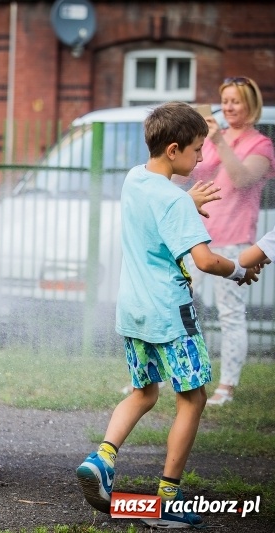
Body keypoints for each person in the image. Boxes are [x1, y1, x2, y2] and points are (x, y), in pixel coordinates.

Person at [75, 102, 260, 528]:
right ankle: (166, 501)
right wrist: (240, 270)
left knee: (143, 393)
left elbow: (160, 205)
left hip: (134, 311)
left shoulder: (135, 179)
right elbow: (207, 260)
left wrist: (185, 199)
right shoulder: (176, 203)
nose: (201, 158)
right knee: (193, 397)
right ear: (174, 149)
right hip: (171, 314)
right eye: (197, 150)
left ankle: (102, 458)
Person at [187, 76, 275, 406]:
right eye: (224, 100)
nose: (228, 106)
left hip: (234, 241)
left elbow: (240, 178)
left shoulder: (261, 146)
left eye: (235, 100)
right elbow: (188, 174)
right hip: (197, 238)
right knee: (179, 308)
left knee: (230, 314)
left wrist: (219, 141)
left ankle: (227, 385)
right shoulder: (211, 139)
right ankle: (179, 373)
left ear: (251, 105)